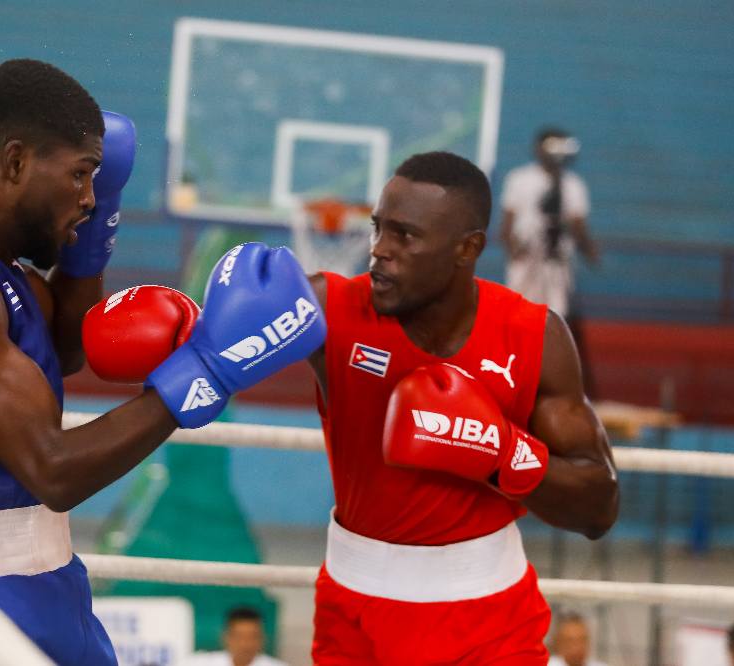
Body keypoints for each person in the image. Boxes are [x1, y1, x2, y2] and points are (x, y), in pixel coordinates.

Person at [0, 59, 324, 665]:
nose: (88, 196)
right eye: (81, 177)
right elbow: (53, 470)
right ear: (15, 163)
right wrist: (207, 371)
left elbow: (66, 346)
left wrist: (93, 235)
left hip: (47, 587)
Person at [305, 151, 618, 664]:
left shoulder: (533, 336)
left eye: (405, 236)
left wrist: (498, 452)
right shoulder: (328, 309)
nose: (379, 250)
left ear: (467, 249)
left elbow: (599, 506)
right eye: (378, 228)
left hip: (487, 622)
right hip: (353, 616)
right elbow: (202, 362)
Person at [500, 127, 597, 319]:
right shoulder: (519, 178)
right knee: (518, 309)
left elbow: (578, 224)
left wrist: (589, 250)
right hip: (526, 254)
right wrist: (513, 250)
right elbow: (507, 222)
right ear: (539, 148)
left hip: (558, 258)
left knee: (555, 312)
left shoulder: (573, 184)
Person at [184, 607, 287, 666]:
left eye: (253, 637)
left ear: (263, 638)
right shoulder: (200, 663)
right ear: (226, 637)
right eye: (239, 637)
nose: (246, 644)